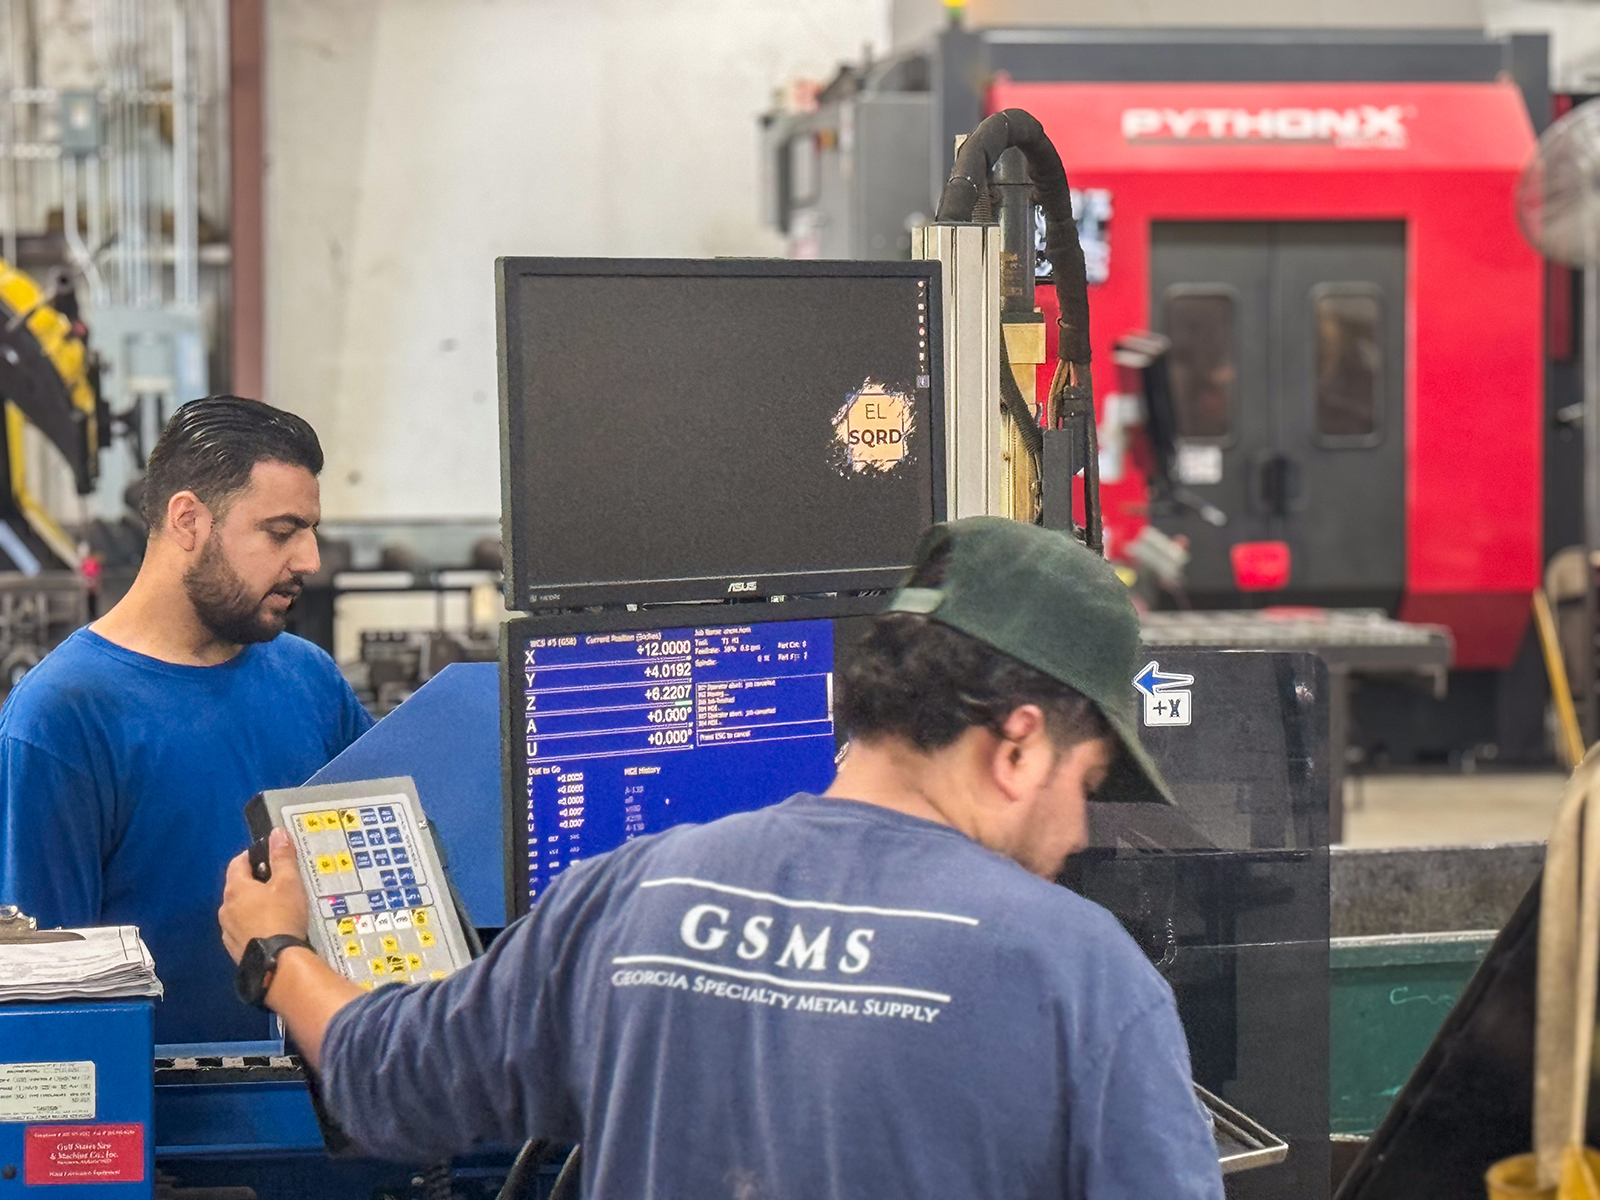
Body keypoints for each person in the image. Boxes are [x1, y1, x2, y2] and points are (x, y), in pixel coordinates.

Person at [218, 517, 1224, 1198]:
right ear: (1015, 745)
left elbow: (391, 1079)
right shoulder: (1082, 978)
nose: (1080, 833)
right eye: (1085, 785)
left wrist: (278, 956)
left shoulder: (626, 896)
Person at [0, 395, 373, 1043]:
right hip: (162, 1128)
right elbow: (45, 1009)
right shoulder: (62, 714)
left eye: (309, 531)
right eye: (281, 533)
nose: (309, 560)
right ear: (188, 521)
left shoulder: (310, 679)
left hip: (324, 1104)